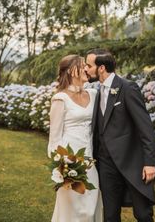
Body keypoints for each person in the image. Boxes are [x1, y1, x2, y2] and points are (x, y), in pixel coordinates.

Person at [85, 49, 155, 222]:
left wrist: (150, 163)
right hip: (106, 164)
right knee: (110, 214)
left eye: (89, 66)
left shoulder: (128, 88)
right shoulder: (97, 92)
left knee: (142, 214)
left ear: (101, 68)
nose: (86, 69)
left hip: (132, 163)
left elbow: (145, 127)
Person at [47, 54, 102, 222]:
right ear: (72, 70)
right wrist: (60, 167)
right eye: (83, 65)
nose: (87, 68)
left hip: (90, 160)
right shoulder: (60, 98)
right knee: (74, 211)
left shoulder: (93, 94)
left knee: (91, 209)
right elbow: (54, 138)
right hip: (70, 161)